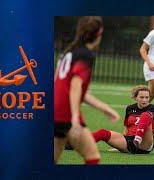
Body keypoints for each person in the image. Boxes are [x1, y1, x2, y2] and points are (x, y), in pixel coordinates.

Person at [54, 16, 120, 164]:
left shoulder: (69, 52)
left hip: (55, 113)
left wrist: (105, 108)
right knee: (93, 158)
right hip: (67, 115)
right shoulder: (85, 55)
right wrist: (75, 116)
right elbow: (75, 88)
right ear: (98, 35)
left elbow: (75, 90)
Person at [92, 85, 154, 156]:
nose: (144, 100)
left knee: (145, 115)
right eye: (141, 97)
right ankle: (82, 142)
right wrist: (119, 145)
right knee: (102, 133)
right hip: (129, 142)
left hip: (145, 144)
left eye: (147, 97)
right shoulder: (130, 108)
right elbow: (126, 128)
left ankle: (138, 139)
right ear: (135, 97)